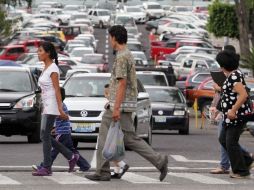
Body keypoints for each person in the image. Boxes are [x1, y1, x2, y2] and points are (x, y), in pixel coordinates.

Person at [85, 25, 168, 182]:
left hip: (120, 106)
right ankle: (159, 160)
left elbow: (122, 83)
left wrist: (115, 107)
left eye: (110, 37)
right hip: (126, 104)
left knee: (104, 134)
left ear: (115, 38)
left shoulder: (122, 56)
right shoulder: (127, 54)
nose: (109, 41)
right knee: (130, 138)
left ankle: (102, 171)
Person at [32, 42, 79, 176]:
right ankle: (70, 156)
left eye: (40, 51)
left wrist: (60, 108)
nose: (38, 53)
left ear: (48, 53)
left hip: (52, 105)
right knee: (44, 135)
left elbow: (57, 89)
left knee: (44, 135)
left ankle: (47, 167)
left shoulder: (53, 68)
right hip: (46, 105)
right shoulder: (46, 68)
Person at [210, 45, 254, 175]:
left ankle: (241, 170)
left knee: (231, 142)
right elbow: (231, 91)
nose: (220, 67)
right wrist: (219, 89)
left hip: (237, 115)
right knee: (224, 139)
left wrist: (233, 110)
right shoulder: (231, 75)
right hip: (230, 115)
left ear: (224, 65)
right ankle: (247, 160)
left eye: (220, 64)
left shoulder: (235, 76)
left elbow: (243, 94)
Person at [32, 87, 91, 173]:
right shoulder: (62, 105)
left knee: (53, 151)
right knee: (71, 150)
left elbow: (64, 117)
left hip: (62, 133)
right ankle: (84, 165)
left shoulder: (59, 106)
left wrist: (53, 114)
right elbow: (63, 120)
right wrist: (54, 128)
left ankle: (43, 166)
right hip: (65, 132)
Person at [104, 84, 129, 179]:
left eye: (107, 93)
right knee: (115, 152)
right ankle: (117, 171)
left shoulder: (111, 105)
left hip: (113, 132)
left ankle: (123, 165)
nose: (105, 95)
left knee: (109, 152)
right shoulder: (113, 104)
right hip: (118, 133)